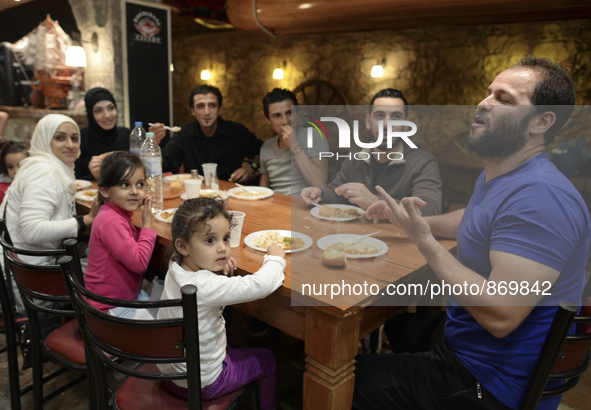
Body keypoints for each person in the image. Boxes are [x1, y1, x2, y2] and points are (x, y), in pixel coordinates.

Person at [353, 56, 591, 409]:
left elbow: (500, 315)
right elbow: (473, 219)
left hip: (492, 382)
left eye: (504, 99)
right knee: (400, 328)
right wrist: (405, 218)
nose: (483, 103)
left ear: (541, 121)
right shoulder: (503, 173)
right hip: (469, 339)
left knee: (347, 377)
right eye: (488, 93)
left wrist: (423, 241)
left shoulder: (541, 197)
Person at [157, 198, 286, 410]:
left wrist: (216, 260)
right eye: (210, 241)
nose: (223, 249)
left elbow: (203, 263)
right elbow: (261, 285)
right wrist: (275, 258)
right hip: (203, 383)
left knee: (232, 336)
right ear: (183, 246)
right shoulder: (205, 286)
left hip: (172, 376)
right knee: (267, 359)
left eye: (226, 239)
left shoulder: (175, 264)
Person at [300, 89, 442, 215]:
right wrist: (320, 193)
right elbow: (337, 191)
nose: (386, 124)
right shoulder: (357, 153)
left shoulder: (423, 161)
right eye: (379, 116)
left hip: (399, 240)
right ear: (368, 122)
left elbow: (430, 209)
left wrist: (376, 202)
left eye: (396, 117)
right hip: (356, 239)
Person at [0, 114, 99, 265]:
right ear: (45, 140)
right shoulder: (43, 172)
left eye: (74, 138)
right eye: (60, 138)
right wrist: (87, 220)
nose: (70, 144)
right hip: (31, 272)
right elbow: (31, 231)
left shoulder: (45, 166)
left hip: (25, 263)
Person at [83, 151, 158, 319]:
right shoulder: (110, 221)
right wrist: (147, 223)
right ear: (105, 191)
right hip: (107, 310)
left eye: (140, 184)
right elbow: (139, 263)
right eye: (125, 185)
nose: (134, 191)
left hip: (119, 300)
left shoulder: (114, 214)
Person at [149, 85, 262, 183]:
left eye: (212, 105)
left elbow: (262, 152)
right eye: (200, 106)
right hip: (195, 194)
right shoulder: (183, 133)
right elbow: (166, 163)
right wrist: (153, 146)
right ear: (193, 111)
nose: (207, 112)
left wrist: (251, 167)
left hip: (231, 190)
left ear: (220, 109)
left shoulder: (237, 131)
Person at [259, 88, 329, 196]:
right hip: (276, 207)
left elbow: (320, 184)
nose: (285, 121)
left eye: (289, 113)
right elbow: (262, 191)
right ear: (268, 120)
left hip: (307, 206)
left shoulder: (314, 136)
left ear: (297, 113)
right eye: (277, 116)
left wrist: (295, 145)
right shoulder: (266, 146)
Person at [75, 87, 131, 181]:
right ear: (90, 114)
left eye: (111, 108)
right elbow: (75, 181)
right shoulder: (79, 138)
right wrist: (94, 175)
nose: (107, 115)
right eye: (98, 111)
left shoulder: (126, 135)